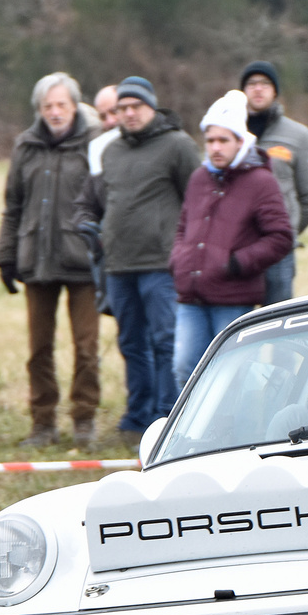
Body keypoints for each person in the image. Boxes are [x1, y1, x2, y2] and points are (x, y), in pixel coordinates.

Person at [71, 76, 201, 438]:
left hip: (161, 264)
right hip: (118, 265)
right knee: (131, 343)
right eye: (121, 108)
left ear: (151, 107)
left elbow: (198, 200)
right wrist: (86, 223)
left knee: (164, 340)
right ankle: (137, 414)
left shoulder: (177, 145)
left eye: (135, 107)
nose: (128, 114)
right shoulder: (110, 152)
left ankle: (167, 416)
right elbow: (93, 200)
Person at [0, 72, 101, 450]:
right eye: (48, 106)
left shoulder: (94, 145)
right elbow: (13, 206)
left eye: (62, 105)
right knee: (39, 348)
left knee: (86, 347)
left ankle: (85, 418)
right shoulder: (25, 146)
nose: (55, 112)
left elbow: (104, 203)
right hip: (36, 261)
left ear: (75, 106)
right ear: (39, 110)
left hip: (82, 262)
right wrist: (6, 256)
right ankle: (42, 423)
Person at [170, 91, 294, 390]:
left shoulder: (261, 181)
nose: (215, 147)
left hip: (232, 298)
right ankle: (190, 436)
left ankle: (231, 433)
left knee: (229, 377)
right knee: (185, 368)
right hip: (191, 295)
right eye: (210, 140)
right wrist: (179, 258)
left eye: (223, 140)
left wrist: (236, 264)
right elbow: (183, 225)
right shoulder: (199, 178)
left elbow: (281, 236)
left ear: (241, 141)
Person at [239, 61, 308, 305]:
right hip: (236, 248)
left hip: (278, 254)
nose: (258, 89)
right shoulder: (229, 133)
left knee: (277, 320)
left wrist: (286, 233)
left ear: (275, 91)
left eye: (265, 83)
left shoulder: (298, 135)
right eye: (251, 84)